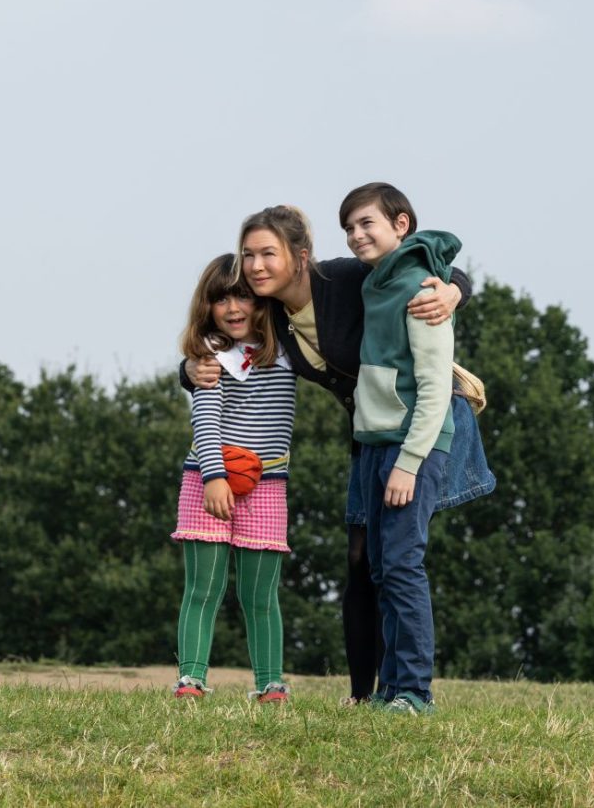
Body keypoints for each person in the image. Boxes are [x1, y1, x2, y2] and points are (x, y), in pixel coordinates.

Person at [182, 204, 490, 705]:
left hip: (418, 422)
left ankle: (409, 691)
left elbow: (428, 269)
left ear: (300, 256)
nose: (256, 266)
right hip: (368, 432)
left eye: (267, 254)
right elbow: (224, 359)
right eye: (248, 256)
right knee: (361, 560)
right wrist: (189, 372)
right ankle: (363, 694)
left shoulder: (343, 279)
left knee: (398, 557)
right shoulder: (273, 318)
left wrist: (455, 291)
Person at [342, 182, 459, 714]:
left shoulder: (420, 288)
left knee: (404, 566)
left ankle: (415, 691)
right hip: (374, 443)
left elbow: (435, 389)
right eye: (349, 227)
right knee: (381, 570)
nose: (356, 234)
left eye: (367, 223)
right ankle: (390, 689)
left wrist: (409, 464)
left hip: (411, 447)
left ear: (401, 225)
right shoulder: (375, 283)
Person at [170, 253, 296, 704]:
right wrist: (214, 477)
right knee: (203, 588)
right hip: (208, 480)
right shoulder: (210, 353)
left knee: (261, 595)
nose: (232, 308)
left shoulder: (288, 345)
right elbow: (204, 419)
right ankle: (191, 679)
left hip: (268, 484)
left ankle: (269, 684)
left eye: (242, 294)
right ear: (207, 307)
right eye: (220, 299)